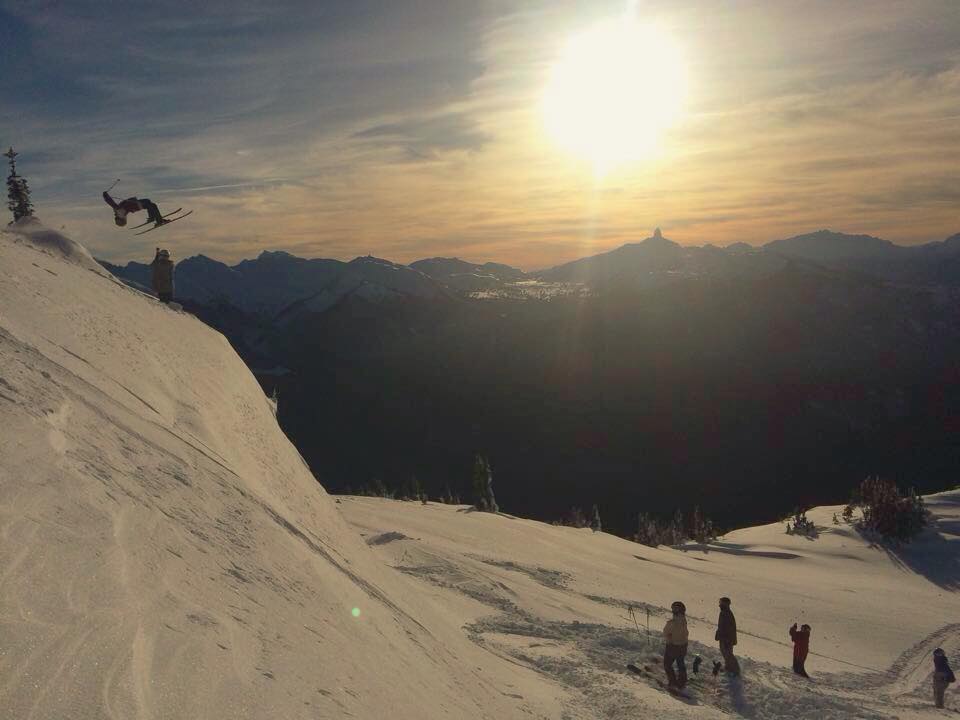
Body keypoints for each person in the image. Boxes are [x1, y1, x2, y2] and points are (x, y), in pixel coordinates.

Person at [663, 600, 689, 690]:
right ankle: (682, 681)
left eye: (675, 608)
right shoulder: (683, 620)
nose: (673, 610)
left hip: (673, 646)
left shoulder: (673, 622)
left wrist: (669, 639)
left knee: (667, 664)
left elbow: (666, 632)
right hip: (683, 645)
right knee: (680, 662)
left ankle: (673, 682)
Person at [716, 597, 741, 676]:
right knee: (725, 653)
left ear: (725, 604)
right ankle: (728, 667)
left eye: (721, 603)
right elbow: (721, 626)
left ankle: (735, 670)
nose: (719, 605)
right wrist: (718, 634)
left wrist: (727, 639)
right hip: (724, 637)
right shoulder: (724, 612)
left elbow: (729, 628)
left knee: (728, 654)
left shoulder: (726, 613)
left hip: (727, 639)